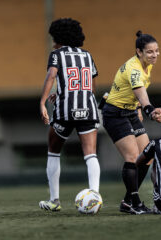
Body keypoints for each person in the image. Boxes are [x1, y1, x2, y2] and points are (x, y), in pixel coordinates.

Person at [39, 18, 101, 211]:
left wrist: (42, 102)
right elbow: (90, 84)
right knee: (90, 154)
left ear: (59, 37)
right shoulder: (87, 55)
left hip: (66, 110)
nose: (52, 42)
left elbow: (51, 76)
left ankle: (54, 201)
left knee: (53, 150)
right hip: (88, 108)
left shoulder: (56, 54)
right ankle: (95, 198)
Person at [101, 30, 161, 214]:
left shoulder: (147, 65)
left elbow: (136, 94)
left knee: (146, 156)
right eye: (150, 52)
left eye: (157, 50)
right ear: (139, 52)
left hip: (129, 111)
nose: (155, 55)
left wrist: (137, 108)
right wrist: (149, 110)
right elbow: (141, 94)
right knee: (132, 157)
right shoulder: (134, 68)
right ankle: (135, 203)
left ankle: (128, 201)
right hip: (114, 113)